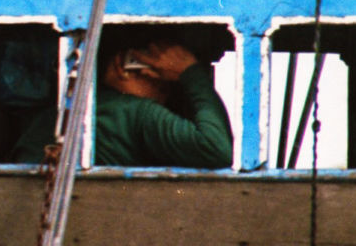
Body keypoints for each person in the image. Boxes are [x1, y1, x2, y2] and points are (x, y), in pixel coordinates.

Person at [12, 41, 232, 168]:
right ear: (122, 65)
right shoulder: (138, 112)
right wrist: (190, 73)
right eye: (159, 73)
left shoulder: (53, 117)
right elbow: (216, 149)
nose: (167, 86)